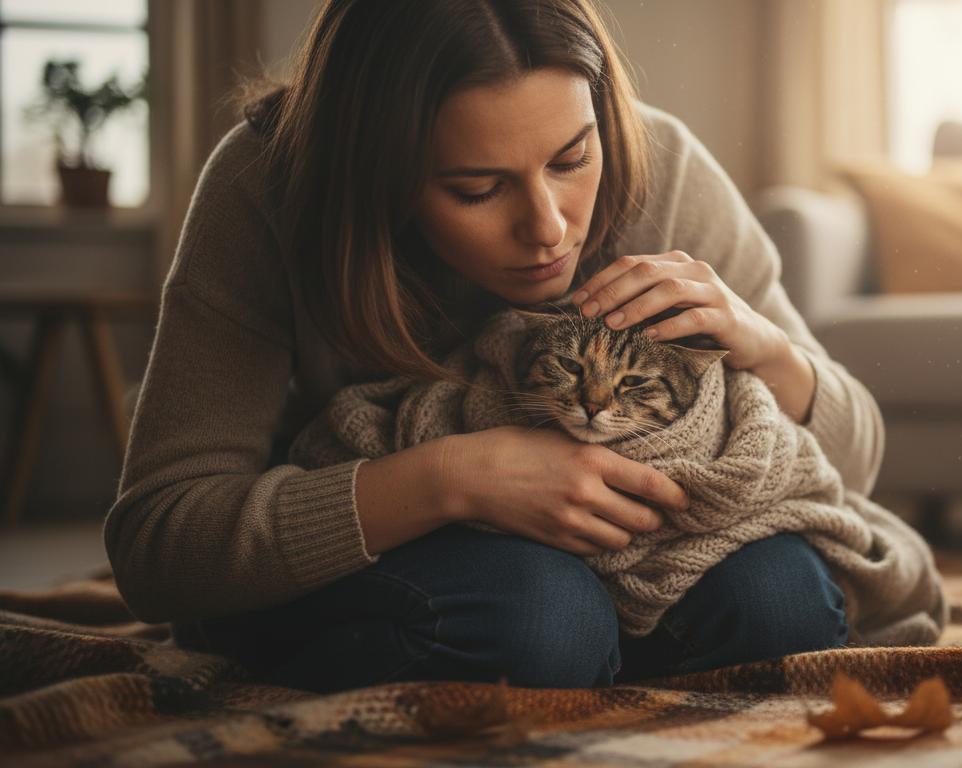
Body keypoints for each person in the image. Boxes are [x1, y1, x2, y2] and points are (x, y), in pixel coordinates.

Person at [105, 0, 888, 691]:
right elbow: (160, 546)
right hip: (427, 562)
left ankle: (579, 665)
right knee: (542, 615)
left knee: (783, 602)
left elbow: (855, 466)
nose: (548, 228)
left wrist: (766, 348)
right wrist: (455, 478)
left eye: (572, 159)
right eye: (477, 188)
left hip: (641, 562)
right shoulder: (265, 188)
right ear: (376, 173)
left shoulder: (666, 165)